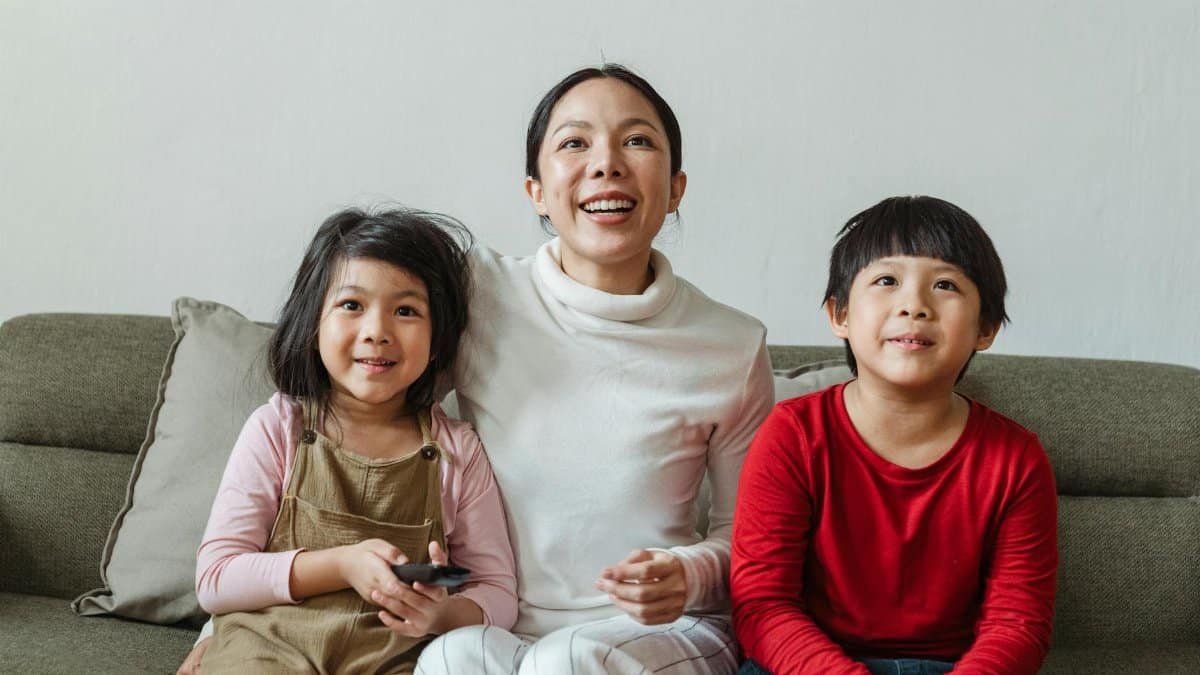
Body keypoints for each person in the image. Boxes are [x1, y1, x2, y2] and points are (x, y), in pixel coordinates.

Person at [182, 64, 772, 675]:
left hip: (662, 629)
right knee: (452, 658)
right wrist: (230, 627)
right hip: (501, 624)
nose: (607, 164)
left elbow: (752, 544)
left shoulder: (730, 346)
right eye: (574, 142)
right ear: (535, 190)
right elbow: (359, 416)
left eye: (637, 140)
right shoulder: (478, 291)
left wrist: (687, 573)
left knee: (567, 662)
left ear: (675, 188)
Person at [731, 196, 1058, 675]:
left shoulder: (1017, 458)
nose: (914, 305)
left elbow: (1018, 624)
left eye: (945, 285)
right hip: (813, 665)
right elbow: (762, 603)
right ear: (839, 314)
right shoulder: (792, 434)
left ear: (985, 328)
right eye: (887, 281)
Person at [193, 208, 517, 674]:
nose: (377, 332)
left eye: (406, 311)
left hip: (395, 656)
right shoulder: (277, 428)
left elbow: (497, 591)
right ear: (313, 321)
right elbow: (217, 577)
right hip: (265, 650)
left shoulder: (458, 451)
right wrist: (343, 565)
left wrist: (443, 613)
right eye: (352, 305)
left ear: (439, 334)